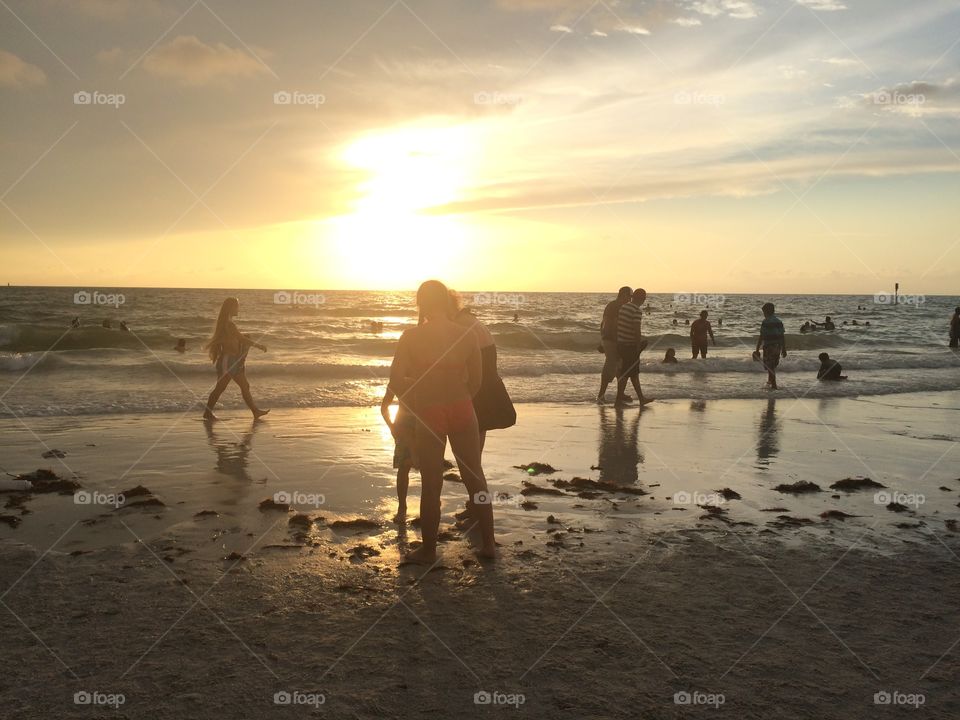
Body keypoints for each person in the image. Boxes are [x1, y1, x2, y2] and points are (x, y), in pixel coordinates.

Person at [389, 280, 495, 563]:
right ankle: (488, 544)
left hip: (429, 411)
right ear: (448, 303)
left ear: (421, 303)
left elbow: (396, 381)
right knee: (475, 477)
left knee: (432, 482)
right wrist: (460, 397)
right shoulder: (467, 334)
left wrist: (415, 402)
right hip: (462, 408)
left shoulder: (411, 336)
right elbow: (477, 381)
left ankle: (429, 549)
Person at [450, 292, 516, 450]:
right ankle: (474, 470)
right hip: (488, 384)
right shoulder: (471, 319)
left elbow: (458, 363)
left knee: (467, 446)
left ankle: (471, 471)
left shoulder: (460, 325)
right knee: (478, 435)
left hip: (477, 386)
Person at [203, 297, 269, 421]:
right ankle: (207, 413)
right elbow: (240, 339)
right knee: (222, 388)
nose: (238, 308)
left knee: (242, 386)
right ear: (231, 308)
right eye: (237, 306)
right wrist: (258, 345)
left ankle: (255, 411)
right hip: (228, 362)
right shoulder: (229, 324)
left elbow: (235, 338)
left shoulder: (227, 324)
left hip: (232, 361)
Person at [380, 386, 416, 521]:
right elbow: (384, 407)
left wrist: (392, 426)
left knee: (404, 468)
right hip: (413, 423)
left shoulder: (399, 376)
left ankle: (403, 509)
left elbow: (384, 407)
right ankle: (403, 507)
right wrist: (392, 427)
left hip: (411, 423)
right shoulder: (424, 373)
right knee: (407, 467)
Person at [614, 288, 653, 407]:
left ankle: (641, 398)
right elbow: (636, 329)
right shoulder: (636, 310)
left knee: (633, 373)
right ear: (641, 298)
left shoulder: (624, 307)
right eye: (644, 297)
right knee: (626, 374)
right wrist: (638, 346)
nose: (645, 299)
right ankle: (618, 401)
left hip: (621, 343)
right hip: (630, 345)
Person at [597, 286, 632, 403]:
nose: (630, 299)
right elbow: (613, 324)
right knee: (611, 368)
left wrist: (603, 339)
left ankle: (619, 394)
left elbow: (603, 323)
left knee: (619, 368)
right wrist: (616, 341)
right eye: (629, 296)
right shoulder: (618, 306)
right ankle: (601, 396)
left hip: (608, 339)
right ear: (624, 295)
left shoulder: (611, 305)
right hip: (614, 341)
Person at [754, 302, 786, 390]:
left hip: (768, 346)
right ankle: (770, 381)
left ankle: (774, 385)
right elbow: (782, 336)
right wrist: (784, 349)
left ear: (766, 312)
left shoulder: (765, 322)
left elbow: (761, 336)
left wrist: (757, 349)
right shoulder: (779, 321)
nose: (763, 314)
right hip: (777, 346)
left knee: (770, 366)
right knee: (772, 365)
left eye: (764, 312)